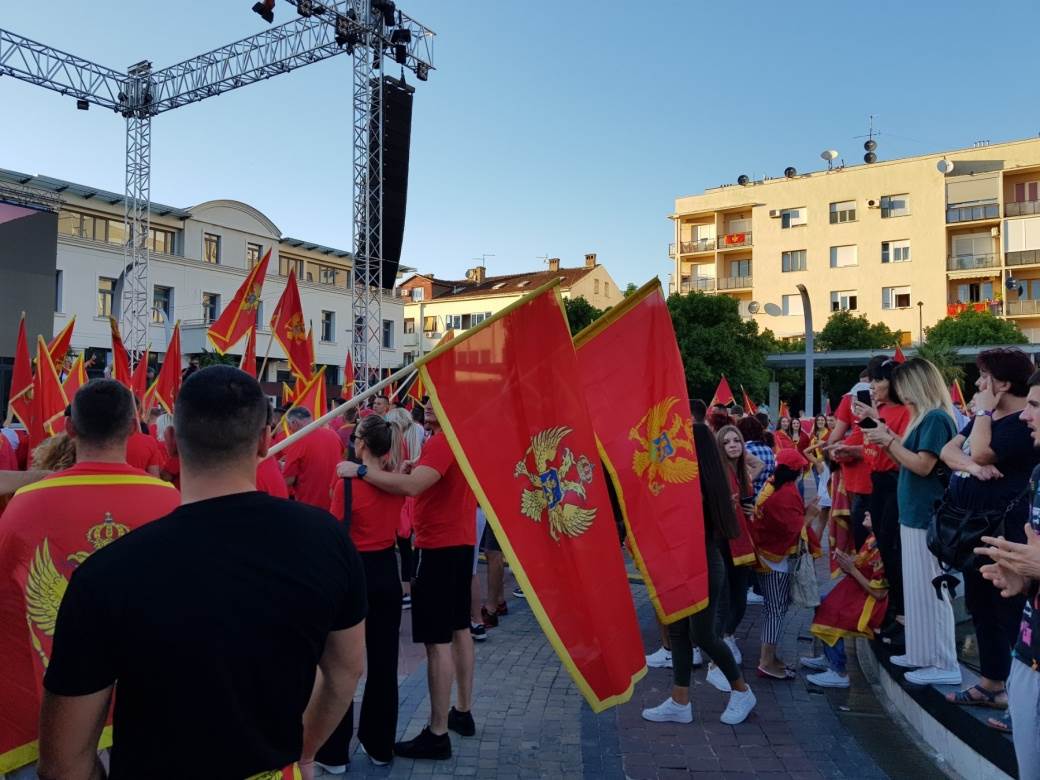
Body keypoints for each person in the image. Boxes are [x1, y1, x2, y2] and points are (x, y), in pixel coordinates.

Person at [38, 366, 367, 779]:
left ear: (172, 441)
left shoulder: (106, 573)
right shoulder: (328, 541)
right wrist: (304, 748)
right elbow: (345, 670)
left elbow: (62, 763)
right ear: (266, 441)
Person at [0, 380, 181, 778]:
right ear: (134, 429)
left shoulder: (26, 505)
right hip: (148, 698)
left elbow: (8, 602)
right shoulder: (170, 501)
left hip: (53, 700)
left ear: (70, 429)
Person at [337, 399, 477, 760]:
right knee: (456, 628)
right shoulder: (454, 439)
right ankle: (459, 712)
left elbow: (412, 488)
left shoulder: (441, 442)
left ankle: (438, 730)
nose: (427, 405)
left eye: (435, 400)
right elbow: (412, 493)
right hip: (450, 543)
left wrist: (363, 473)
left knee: (436, 640)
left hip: (437, 545)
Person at [940, 348, 1040, 710]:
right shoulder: (990, 417)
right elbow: (949, 451)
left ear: (1003, 383)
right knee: (981, 606)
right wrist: (970, 463)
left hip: (1008, 530)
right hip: (976, 529)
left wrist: (981, 412)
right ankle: (991, 682)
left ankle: (1019, 698)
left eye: (985, 377)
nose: (978, 383)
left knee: (1009, 611)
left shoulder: (1016, 424)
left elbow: (981, 452)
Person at [641, 423, 757, 726]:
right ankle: (680, 701)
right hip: (680, 563)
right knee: (678, 631)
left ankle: (741, 691)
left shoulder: (701, 483)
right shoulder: (692, 479)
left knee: (703, 634)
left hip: (702, 564)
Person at [865, 358, 960, 686]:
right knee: (917, 589)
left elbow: (922, 466)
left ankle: (944, 661)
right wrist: (887, 439)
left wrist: (888, 440)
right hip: (914, 515)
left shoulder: (934, 418)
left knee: (932, 591)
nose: (897, 391)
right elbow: (908, 463)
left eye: (902, 385)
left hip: (925, 517)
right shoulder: (925, 417)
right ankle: (922, 653)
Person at [322, 415, 406, 770]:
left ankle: (334, 751)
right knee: (384, 663)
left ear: (360, 445)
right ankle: (380, 745)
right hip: (387, 570)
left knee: (342, 666)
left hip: (354, 572)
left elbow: (337, 537)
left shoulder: (348, 484)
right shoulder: (397, 483)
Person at [974, 368, 1040, 777]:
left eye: (1034, 406)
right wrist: (1023, 580)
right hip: (1029, 654)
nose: (1024, 416)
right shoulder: (1038, 475)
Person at [854, 358, 910, 638]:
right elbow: (870, 447)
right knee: (885, 548)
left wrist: (876, 422)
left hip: (895, 482)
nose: (873, 386)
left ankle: (903, 614)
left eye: (879, 380)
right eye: (872, 381)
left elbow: (900, 452)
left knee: (895, 548)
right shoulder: (881, 409)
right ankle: (894, 608)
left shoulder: (906, 412)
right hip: (876, 482)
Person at [753, 448, 819, 679]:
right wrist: (810, 514)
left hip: (768, 555)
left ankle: (771, 657)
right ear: (797, 470)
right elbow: (792, 527)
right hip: (774, 559)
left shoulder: (774, 486)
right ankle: (765, 661)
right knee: (775, 610)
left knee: (776, 607)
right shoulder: (787, 493)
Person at [801, 518, 889, 688]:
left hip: (870, 602)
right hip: (857, 592)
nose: (865, 513)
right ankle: (830, 657)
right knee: (824, 601)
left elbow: (879, 593)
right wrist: (846, 563)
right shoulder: (872, 539)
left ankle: (839, 671)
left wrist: (852, 569)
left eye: (871, 512)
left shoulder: (882, 548)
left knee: (831, 609)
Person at [715, 425, 758, 665]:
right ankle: (722, 642)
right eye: (727, 442)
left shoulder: (742, 474)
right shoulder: (718, 474)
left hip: (741, 541)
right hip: (722, 543)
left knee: (739, 599)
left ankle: (726, 636)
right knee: (725, 599)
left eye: (737, 441)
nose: (732, 445)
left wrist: (748, 510)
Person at [282, 407, 344, 510]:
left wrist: (279, 467)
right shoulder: (334, 435)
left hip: (309, 506)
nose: (289, 430)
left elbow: (288, 480)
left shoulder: (297, 441)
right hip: (333, 504)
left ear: (294, 423)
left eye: (289, 426)